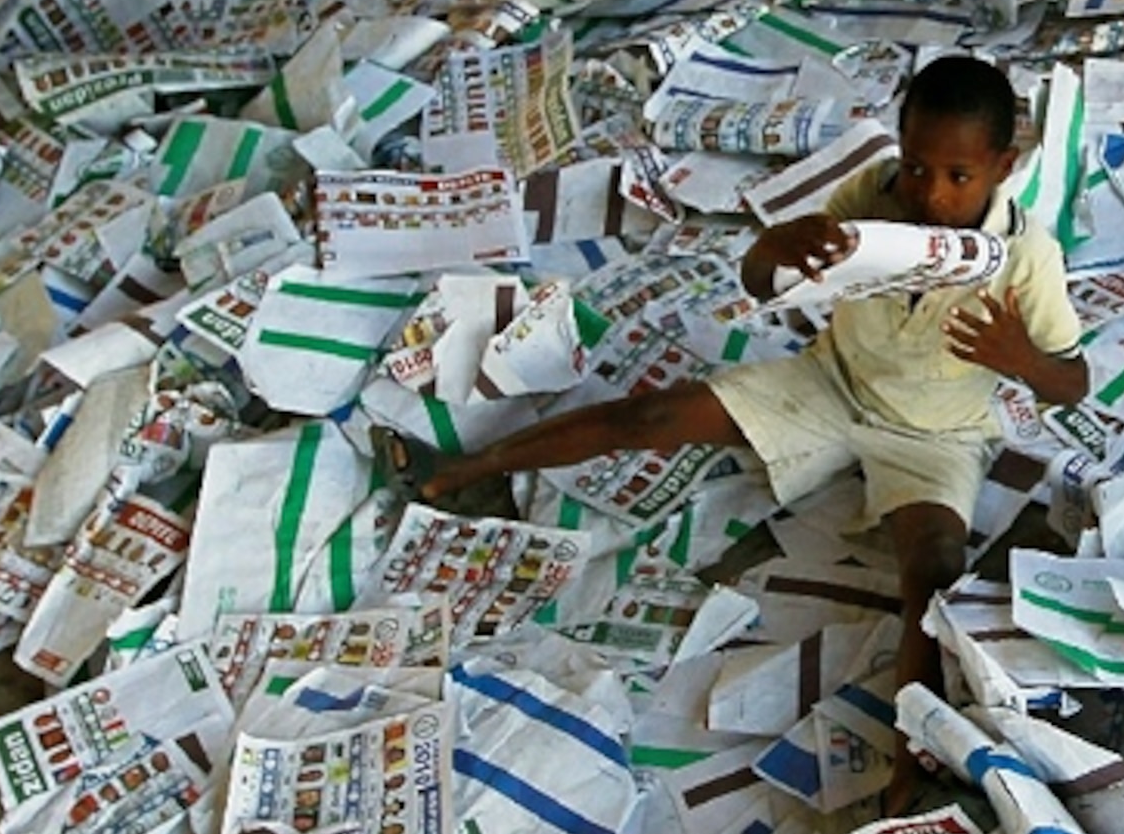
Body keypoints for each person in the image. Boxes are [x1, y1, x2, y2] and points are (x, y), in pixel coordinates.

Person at [398, 54, 1087, 756]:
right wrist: (773, 247)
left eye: (958, 176)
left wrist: (1020, 360)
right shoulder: (872, 195)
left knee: (933, 572)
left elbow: (1074, 381)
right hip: (830, 384)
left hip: (936, 435)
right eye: (916, 166)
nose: (930, 194)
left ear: (1003, 166)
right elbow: (764, 284)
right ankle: (464, 467)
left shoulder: (1029, 257)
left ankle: (917, 757)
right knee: (654, 416)